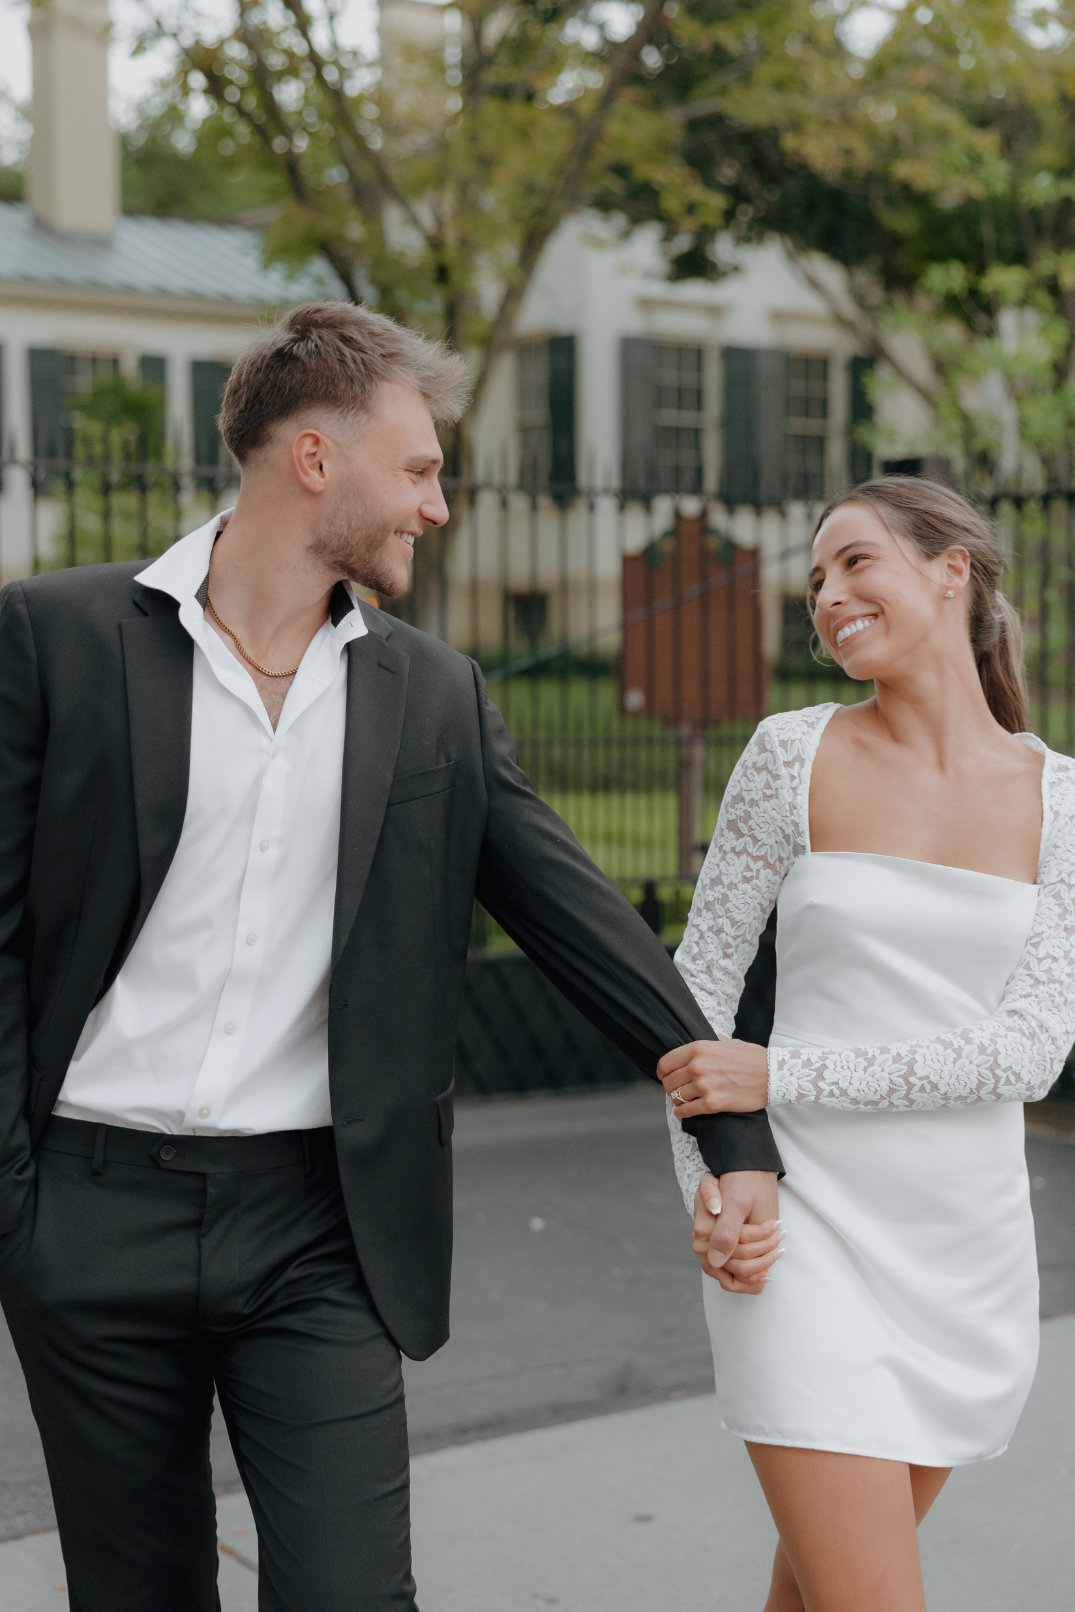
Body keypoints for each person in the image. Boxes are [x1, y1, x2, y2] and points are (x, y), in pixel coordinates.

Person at [0, 300, 784, 1612]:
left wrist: (734, 1136)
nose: (433, 503)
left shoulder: (431, 694)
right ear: (314, 459)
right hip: (88, 1213)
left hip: (321, 1226)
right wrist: (21, 1210)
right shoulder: (57, 642)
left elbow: (578, 919)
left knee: (353, 1596)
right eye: (417, 469)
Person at [658, 476, 1075, 1612]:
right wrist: (716, 1179)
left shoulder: (1063, 802)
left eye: (854, 562)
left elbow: (1028, 1050)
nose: (826, 595)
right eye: (813, 580)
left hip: (962, 1254)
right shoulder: (790, 756)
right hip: (801, 1234)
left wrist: (780, 1070)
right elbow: (691, 1001)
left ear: (953, 570)